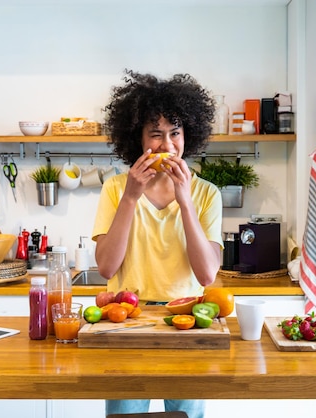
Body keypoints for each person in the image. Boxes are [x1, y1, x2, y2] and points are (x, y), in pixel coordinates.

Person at [91, 69, 224, 418]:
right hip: (125, 322)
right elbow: (106, 266)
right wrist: (131, 199)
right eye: (156, 135)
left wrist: (185, 201)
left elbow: (207, 274)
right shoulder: (116, 189)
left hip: (188, 323)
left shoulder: (206, 193)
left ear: (188, 135)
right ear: (137, 139)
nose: (167, 146)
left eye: (175, 133)